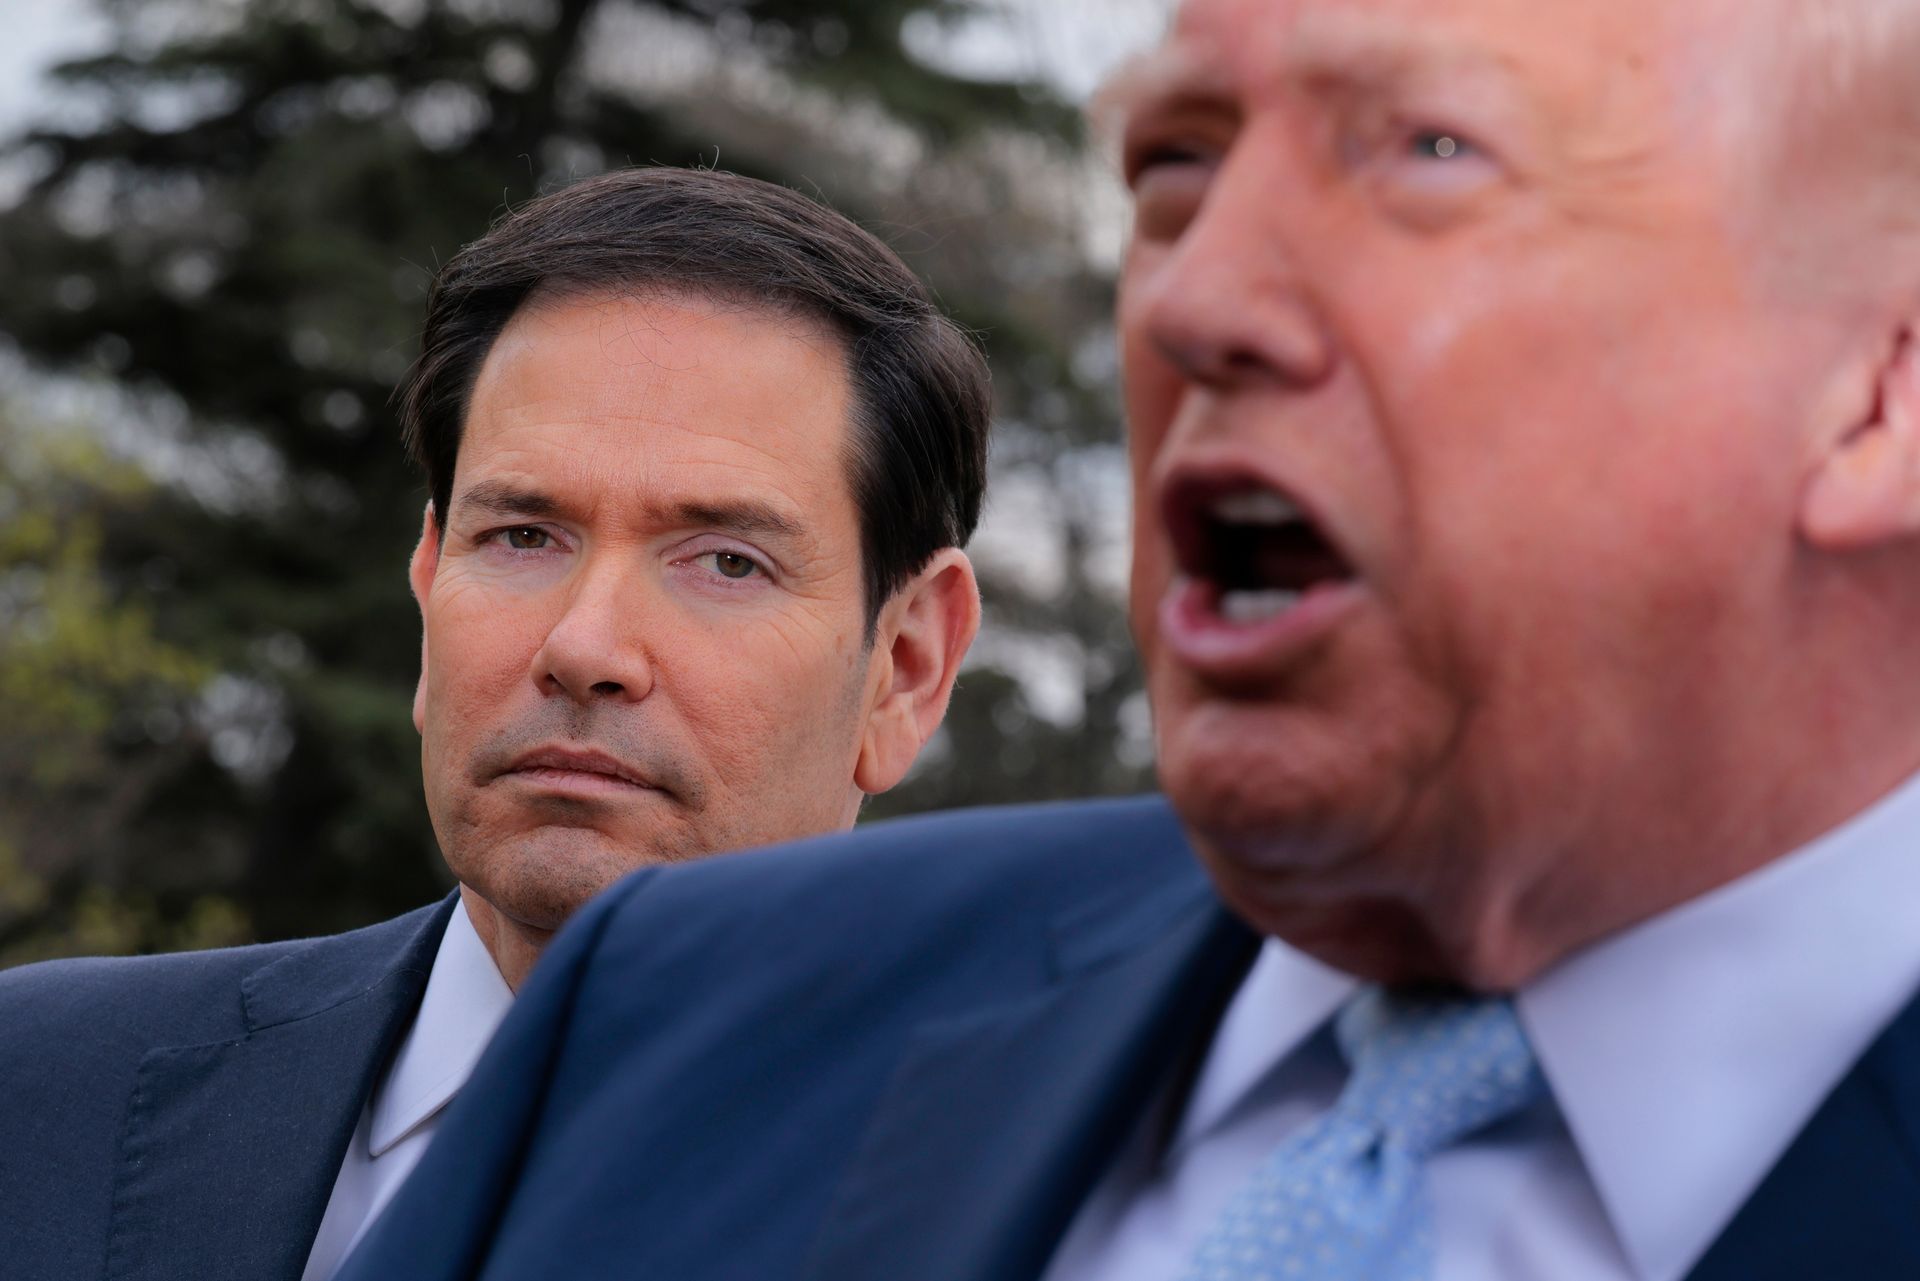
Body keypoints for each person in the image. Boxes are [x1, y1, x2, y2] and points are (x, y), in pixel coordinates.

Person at [337, 1, 1920, 1278]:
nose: (1195, 296)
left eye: (1431, 153)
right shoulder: (685, 1015)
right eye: (1178, 167)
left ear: (1875, 391)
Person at [0, 166, 990, 1281]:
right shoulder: (36, 1095)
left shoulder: (1068, 1208)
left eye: (724, 560)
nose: (583, 646)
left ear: (906, 668)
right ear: (428, 589)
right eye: (523, 536)